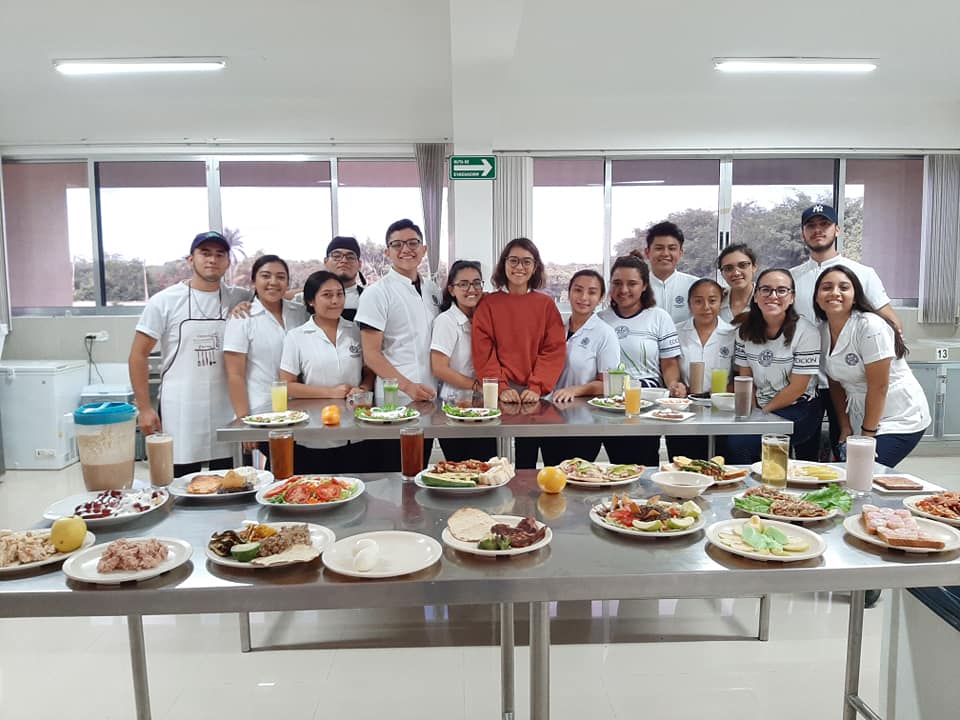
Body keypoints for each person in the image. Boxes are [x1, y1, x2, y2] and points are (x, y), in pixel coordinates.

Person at [129, 231, 250, 477]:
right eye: (205, 253)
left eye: (219, 255)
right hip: (180, 407)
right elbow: (138, 355)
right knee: (179, 481)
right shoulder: (164, 301)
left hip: (225, 406)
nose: (212, 260)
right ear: (190, 259)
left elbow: (280, 296)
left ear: (227, 262)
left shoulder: (239, 297)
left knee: (230, 481)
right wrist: (144, 408)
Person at [791, 204, 901, 459]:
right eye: (811, 226)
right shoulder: (792, 278)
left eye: (824, 225)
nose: (818, 231)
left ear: (837, 229)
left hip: (847, 380)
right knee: (805, 454)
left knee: (844, 449)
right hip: (805, 381)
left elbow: (890, 321)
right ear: (803, 233)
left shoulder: (862, 273)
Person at [814, 265, 930, 467]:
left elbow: (879, 386)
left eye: (843, 287)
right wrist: (845, 426)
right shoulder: (822, 331)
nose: (834, 293)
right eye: (826, 287)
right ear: (816, 297)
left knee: (865, 471)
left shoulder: (869, 326)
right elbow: (835, 381)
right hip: (863, 416)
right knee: (852, 476)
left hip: (899, 417)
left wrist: (867, 436)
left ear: (855, 296)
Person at [472, 237, 566, 468]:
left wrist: (536, 386)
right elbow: (484, 351)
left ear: (535, 267)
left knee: (532, 457)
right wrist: (502, 387)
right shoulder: (488, 304)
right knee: (494, 460)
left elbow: (553, 349)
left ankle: (531, 502)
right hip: (500, 393)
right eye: (513, 260)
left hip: (536, 395)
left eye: (526, 261)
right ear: (504, 264)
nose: (519, 267)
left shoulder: (545, 305)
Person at [355, 218, 440, 471]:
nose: (406, 249)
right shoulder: (377, 293)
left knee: (422, 470)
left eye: (413, 243)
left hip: (431, 396)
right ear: (387, 252)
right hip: (397, 399)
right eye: (397, 244)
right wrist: (408, 387)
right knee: (397, 474)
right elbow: (371, 354)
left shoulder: (433, 290)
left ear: (424, 250)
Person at [279, 271, 374, 473]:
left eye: (340, 294)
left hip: (356, 431)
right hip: (315, 433)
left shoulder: (356, 331)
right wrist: (330, 392)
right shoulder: (297, 337)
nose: (335, 301)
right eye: (327, 295)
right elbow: (287, 385)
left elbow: (369, 370)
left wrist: (363, 389)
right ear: (311, 300)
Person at [725, 268, 822, 463]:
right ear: (756, 296)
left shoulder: (806, 332)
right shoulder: (745, 331)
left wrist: (763, 413)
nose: (773, 296)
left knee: (743, 442)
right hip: (760, 406)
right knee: (730, 438)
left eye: (781, 290)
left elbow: (797, 388)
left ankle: (762, 490)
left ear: (792, 297)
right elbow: (746, 379)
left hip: (799, 407)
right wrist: (752, 413)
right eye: (766, 290)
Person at [597, 253, 681, 466]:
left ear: (644, 285)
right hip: (611, 405)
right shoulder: (600, 320)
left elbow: (669, 363)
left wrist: (673, 385)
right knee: (617, 467)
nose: (623, 290)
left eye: (632, 283)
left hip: (646, 405)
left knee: (643, 466)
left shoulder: (659, 317)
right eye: (617, 283)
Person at [223, 255, 303, 460]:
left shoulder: (299, 313)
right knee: (274, 471)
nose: (273, 282)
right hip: (260, 412)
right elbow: (234, 374)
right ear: (253, 282)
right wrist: (244, 420)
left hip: (299, 410)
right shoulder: (242, 318)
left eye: (280, 277)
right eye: (266, 276)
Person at [539, 269, 620, 466]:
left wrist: (576, 390)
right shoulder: (557, 328)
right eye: (578, 290)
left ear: (601, 298)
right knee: (552, 478)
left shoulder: (604, 334)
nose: (584, 297)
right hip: (550, 418)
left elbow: (610, 387)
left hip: (583, 424)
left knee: (578, 480)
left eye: (592, 292)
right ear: (569, 293)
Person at [430, 260, 497, 462]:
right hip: (455, 407)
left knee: (486, 469)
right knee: (461, 473)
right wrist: (477, 386)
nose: (472, 289)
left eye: (477, 283)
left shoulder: (484, 318)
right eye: (464, 284)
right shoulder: (446, 321)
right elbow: (439, 368)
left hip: (483, 407)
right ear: (451, 289)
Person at [667, 278, 737, 459]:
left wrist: (723, 394)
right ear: (690, 304)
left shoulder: (733, 334)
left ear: (721, 302)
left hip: (721, 410)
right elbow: (670, 366)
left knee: (718, 465)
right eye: (698, 301)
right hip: (685, 409)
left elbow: (740, 373)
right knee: (683, 465)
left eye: (712, 300)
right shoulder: (676, 332)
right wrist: (676, 385)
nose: (706, 306)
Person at [290, 236, 366, 321]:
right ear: (326, 262)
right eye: (337, 256)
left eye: (350, 257)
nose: (344, 260)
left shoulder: (369, 298)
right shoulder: (303, 299)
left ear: (359, 264)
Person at [643, 221, 698, 324]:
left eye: (672, 248)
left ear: (680, 252)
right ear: (647, 252)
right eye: (659, 248)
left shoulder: (695, 286)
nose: (665, 254)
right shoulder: (638, 286)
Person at [717, 243, 759, 323]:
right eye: (728, 268)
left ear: (754, 267)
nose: (736, 273)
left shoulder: (767, 299)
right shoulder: (716, 300)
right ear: (722, 273)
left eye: (743, 265)